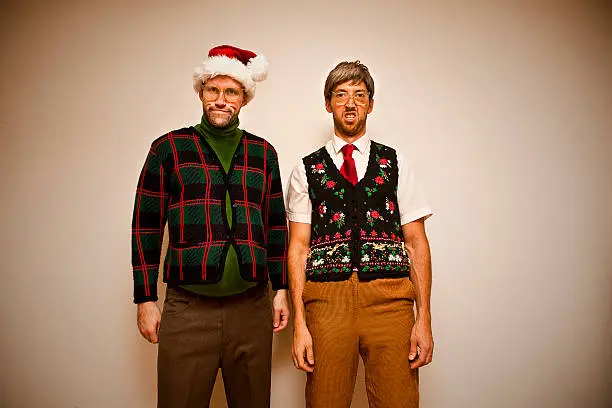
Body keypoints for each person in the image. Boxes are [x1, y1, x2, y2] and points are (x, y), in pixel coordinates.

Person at [131, 45, 289, 408]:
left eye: (231, 92)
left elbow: (276, 226)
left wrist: (280, 289)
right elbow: (146, 224)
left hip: (251, 306)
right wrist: (145, 298)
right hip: (188, 309)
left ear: (244, 98)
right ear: (201, 92)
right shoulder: (169, 148)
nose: (221, 100)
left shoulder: (263, 154)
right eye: (213, 90)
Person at [287, 60, 434, 408]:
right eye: (341, 95)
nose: (350, 103)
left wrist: (423, 319)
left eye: (359, 95)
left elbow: (416, 242)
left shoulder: (395, 163)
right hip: (327, 303)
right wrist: (300, 324)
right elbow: (297, 248)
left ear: (370, 104)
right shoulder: (305, 170)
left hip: (391, 302)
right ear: (328, 104)